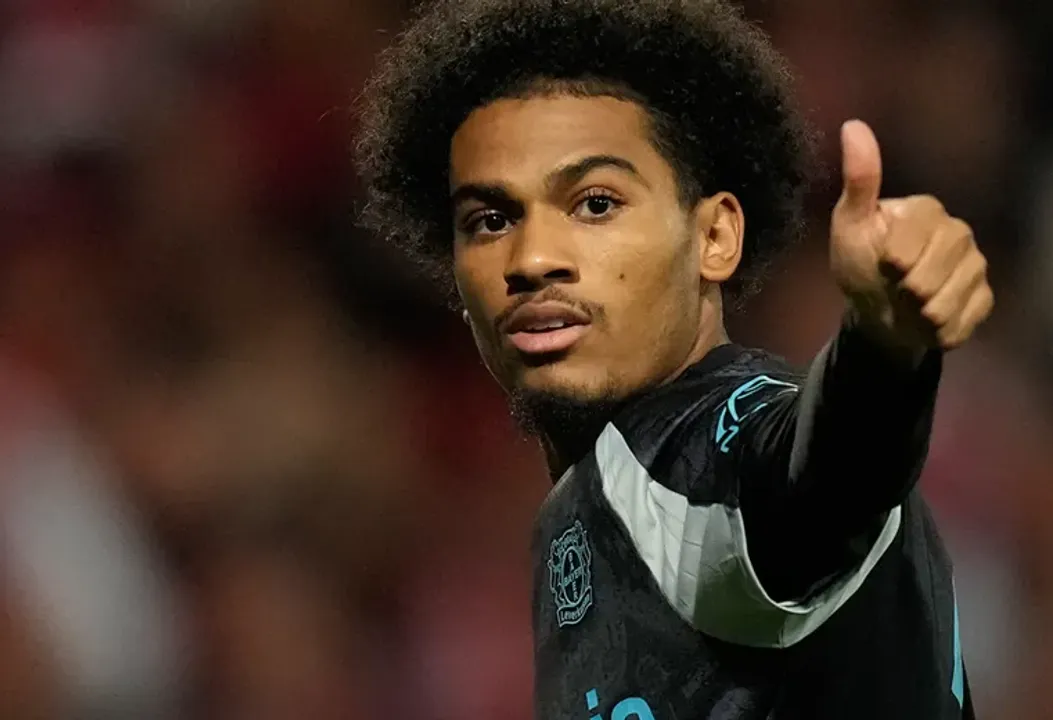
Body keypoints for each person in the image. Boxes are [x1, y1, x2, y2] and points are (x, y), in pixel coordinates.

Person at [355, 1, 993, 717]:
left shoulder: (695, 451)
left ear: (714, 237)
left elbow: (823, 479)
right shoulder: (587, 503)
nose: (531, 259)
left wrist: (883, 345)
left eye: (596, 204)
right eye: (491, 220)